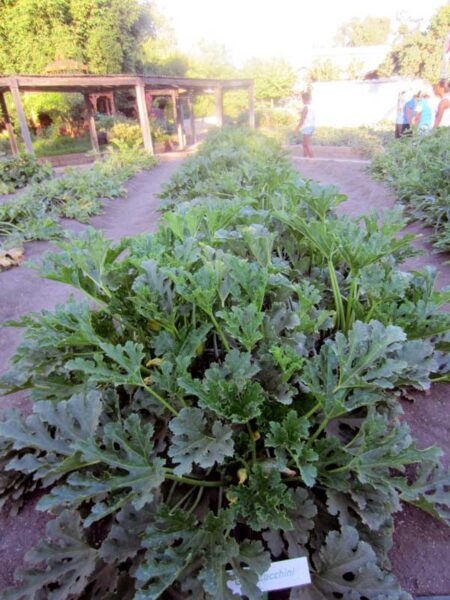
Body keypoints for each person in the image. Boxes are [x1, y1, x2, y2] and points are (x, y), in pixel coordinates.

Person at [294, 91, 315, 158]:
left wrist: (296, 129)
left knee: (307, 144)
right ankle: (305, 158)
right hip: (311, 126)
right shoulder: (312, 107)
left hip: (307, 127)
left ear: (304, 99)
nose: (302, 101)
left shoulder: (305, 107)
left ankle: (312, 159)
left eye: (302, 99)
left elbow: (302, 120)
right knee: (304, 144)